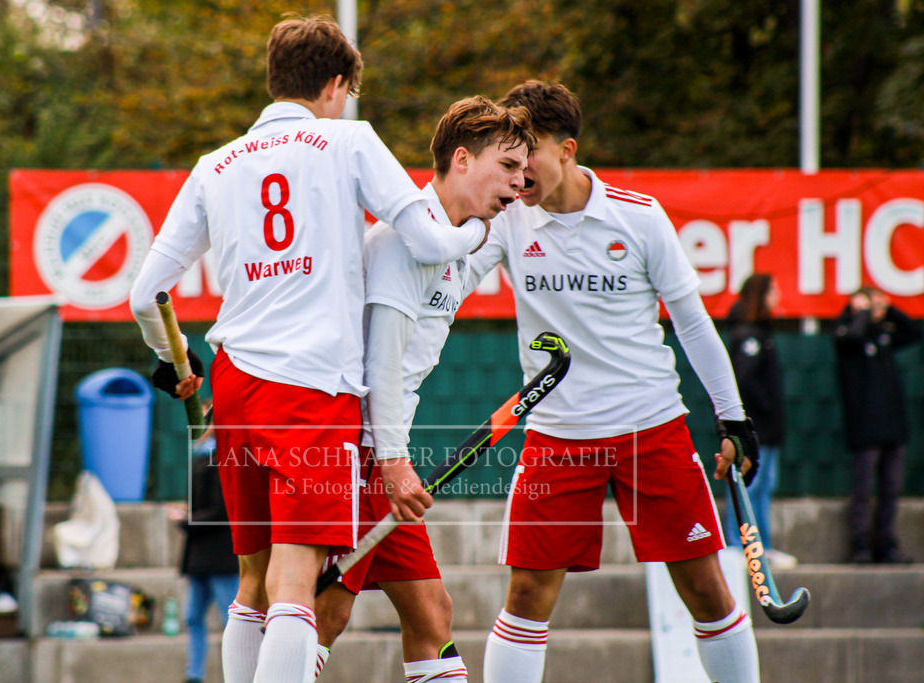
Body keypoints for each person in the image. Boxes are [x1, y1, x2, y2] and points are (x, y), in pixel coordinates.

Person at [129, 16, 491, 683]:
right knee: (294, 579)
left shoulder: (216, 164)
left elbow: (145, 292)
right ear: (333, 85)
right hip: (310, 387)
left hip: (236, 379)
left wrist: (174, 363)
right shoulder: (347, 140)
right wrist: (479, 237)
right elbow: (429, 242)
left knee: (252, 579)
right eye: (346, 93)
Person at [462, 81, 761, 683]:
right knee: (525, 597)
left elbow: (695, 327)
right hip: (555, 436)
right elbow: (448, 285)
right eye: (510, 159)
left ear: (568, 149)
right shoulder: (507, 220)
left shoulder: (640, 217)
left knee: (705, 589)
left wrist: (734, 419)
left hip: (650, 428)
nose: (519, 175)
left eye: (531, 156)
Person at [313, 96, 534, 682]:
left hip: (380, 455)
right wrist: (391, 460)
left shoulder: (463, 239)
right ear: (462, 160)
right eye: (508, 167)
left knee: (431, 613)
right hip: (359, 453)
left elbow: (516, 237)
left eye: (524, 169)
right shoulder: (401, 242)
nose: (521, 180)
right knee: (325, 613)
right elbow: (379, 363)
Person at [834, 286, 921, 564]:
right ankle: (860, 546)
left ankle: (886, 545)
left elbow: (912, 332)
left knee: (891, 489)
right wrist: (859, 312)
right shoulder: (848, 337)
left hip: (893, 427)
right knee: (863, 489)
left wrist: (889, 307)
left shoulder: (884, 335)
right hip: (865, 429)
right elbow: (853, 336)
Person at [722, 274, 797, 570]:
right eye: (774, 291)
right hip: (754, 431)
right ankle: (736, 545)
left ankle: (761, 547)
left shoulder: (762, 333)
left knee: (764, 486)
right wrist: (763, 411)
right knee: (748, 487)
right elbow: (744, 379)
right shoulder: (748, 335)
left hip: (768, 431)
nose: (777, 296)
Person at [171, 425, 239, 683]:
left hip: (220, 558)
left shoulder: (223, 461)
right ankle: (194, 675)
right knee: (192, 617)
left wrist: (186, 520)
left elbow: (221, 511)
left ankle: (240, 674)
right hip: (198, 559)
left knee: (232, 620)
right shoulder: (201, 459)